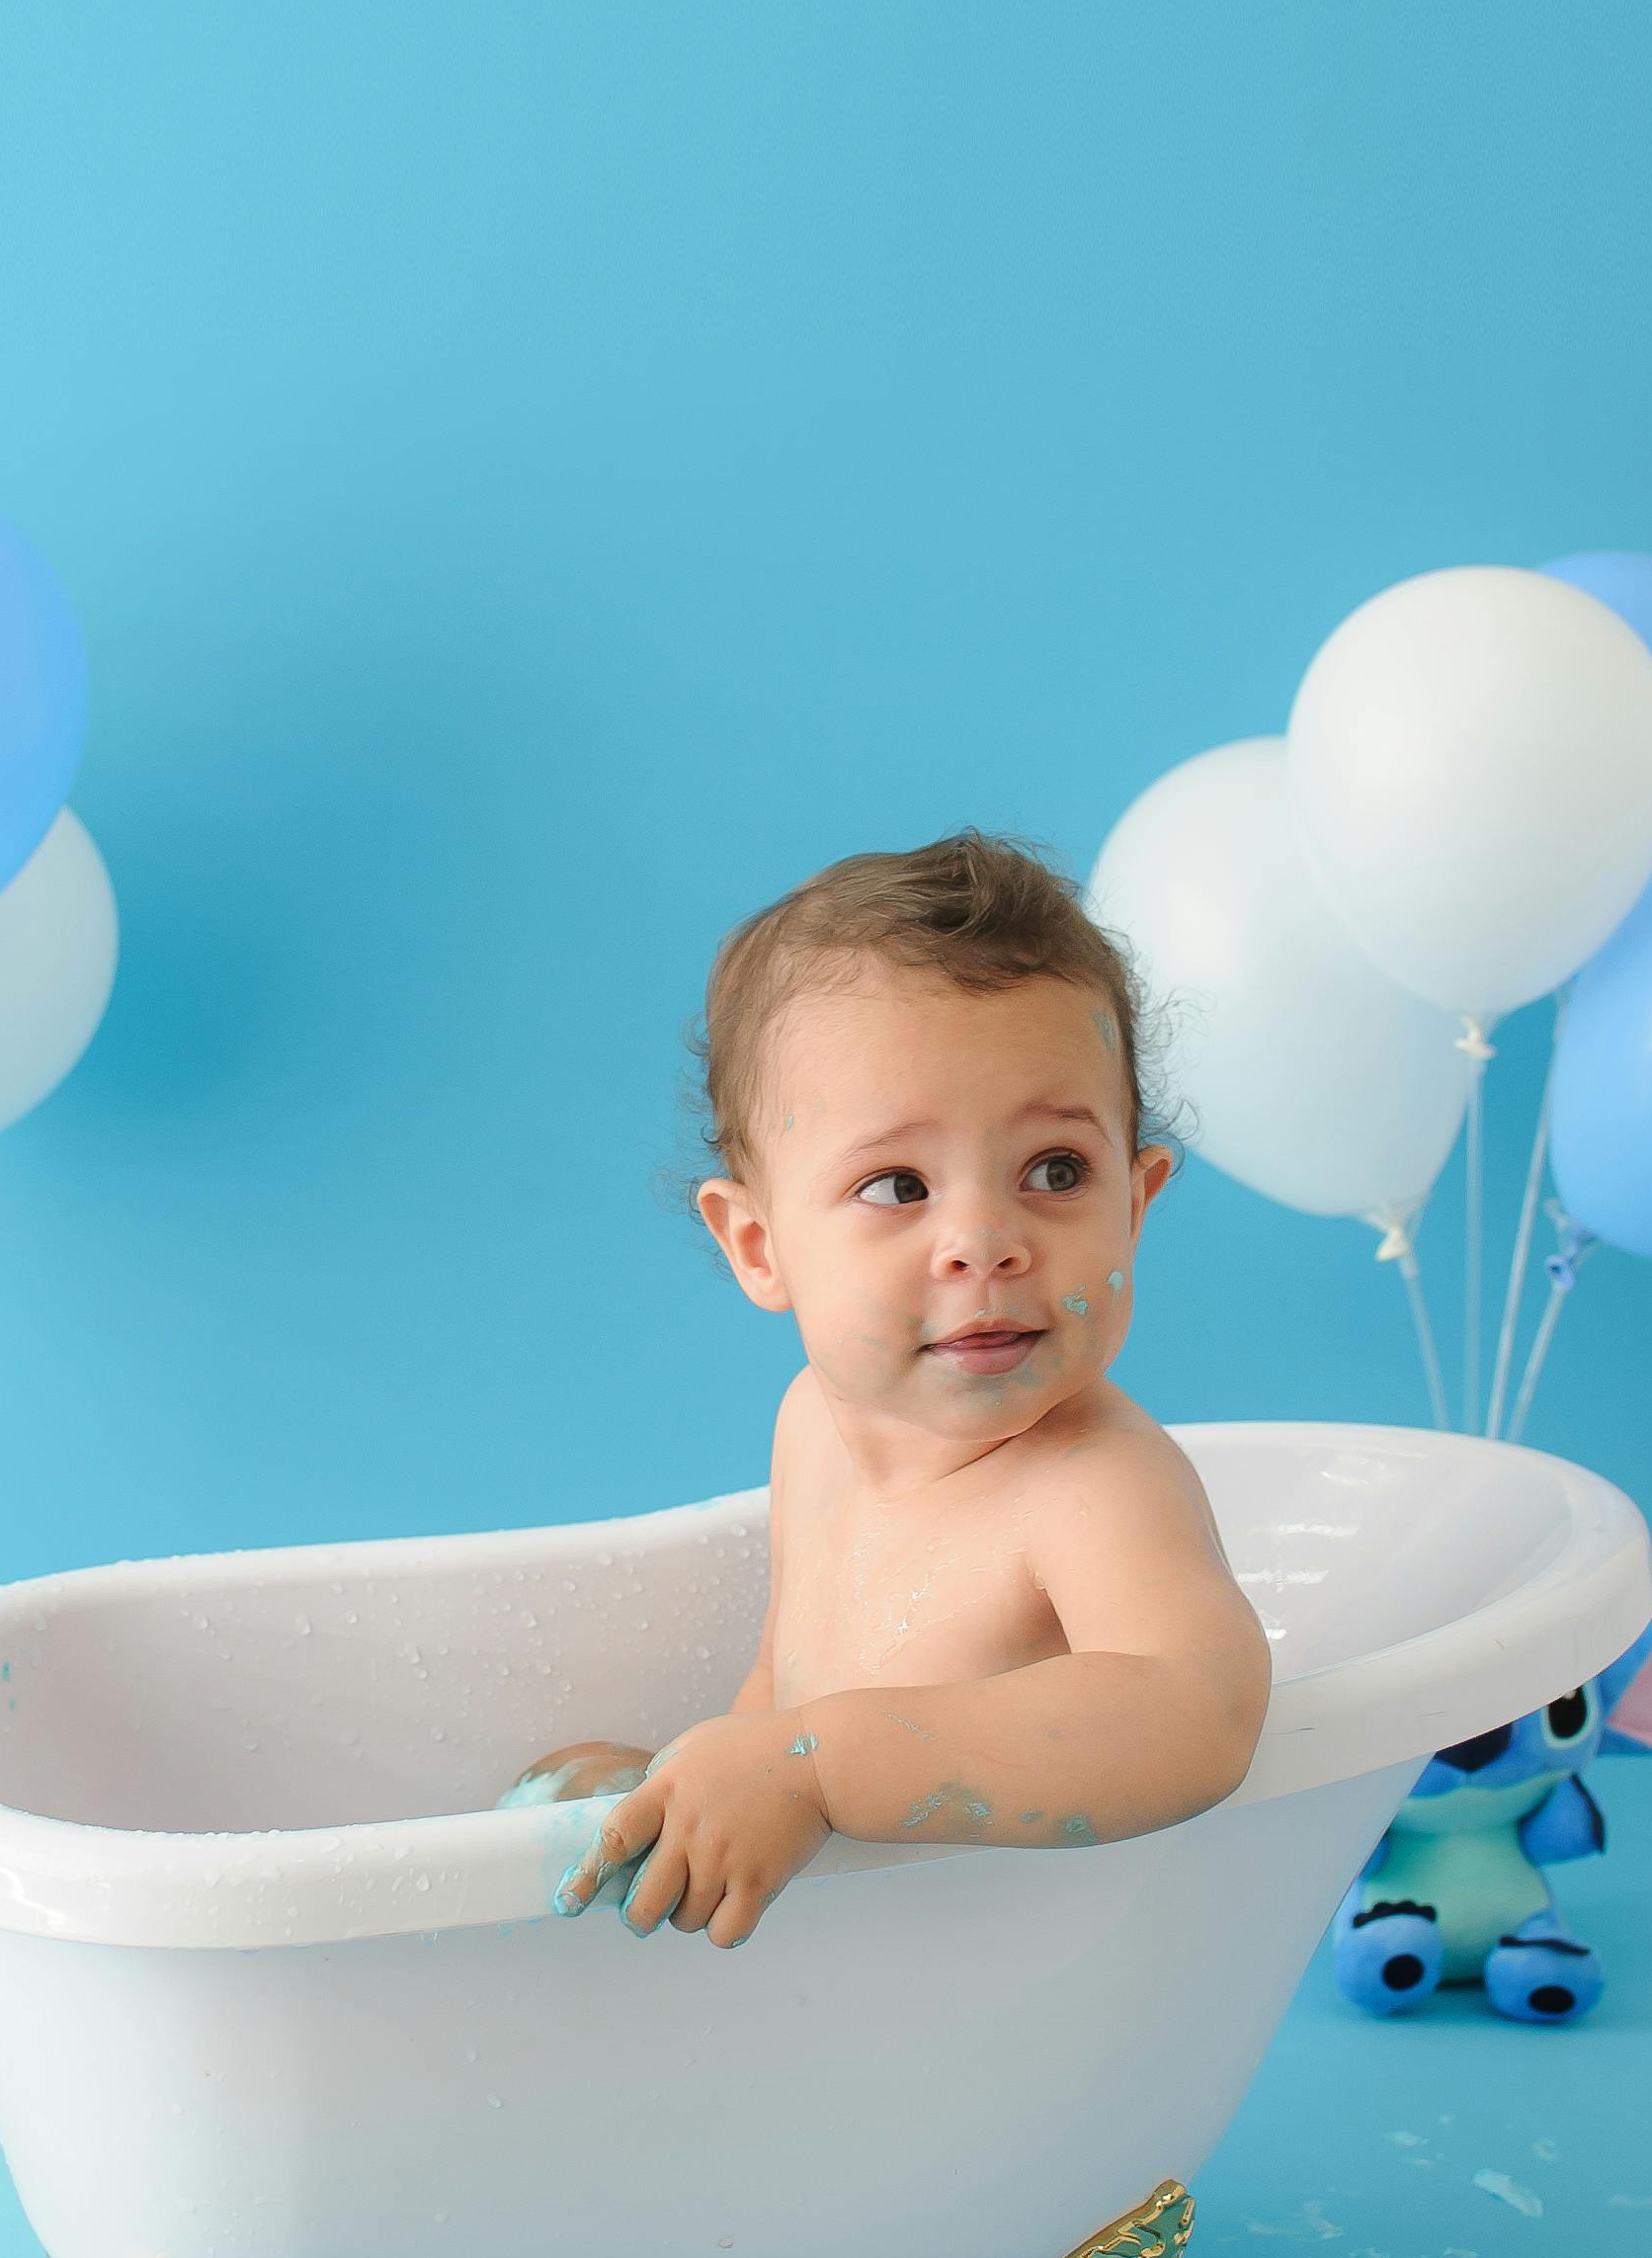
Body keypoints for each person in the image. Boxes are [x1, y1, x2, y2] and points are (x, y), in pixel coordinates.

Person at [542, 829, 1270, 1947]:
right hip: (857, 1965)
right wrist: (709, 1770)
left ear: (1138, 1196)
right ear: (757, 1243)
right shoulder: (813, 1426)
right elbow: (786, 1670)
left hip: (1001, 1980)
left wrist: (819, 1768)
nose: (983, 1242)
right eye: (898, 1183)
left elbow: (1196, 1710)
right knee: (557, 1781)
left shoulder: (1093, 1483)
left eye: (1056, 1171)